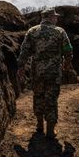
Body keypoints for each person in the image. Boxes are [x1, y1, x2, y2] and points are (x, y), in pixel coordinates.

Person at [17, 8, 73, 139]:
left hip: (37, 72)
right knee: (51, 99)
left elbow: (24, 51)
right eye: (55, 17)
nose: (57, 19)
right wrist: (67, 64)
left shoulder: (32, 31)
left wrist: (20, 67)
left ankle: (39, 125)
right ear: (50, 17)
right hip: (53, 73)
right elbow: (68, 50)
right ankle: (50, 130)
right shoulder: (60, 32)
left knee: (38, 97)